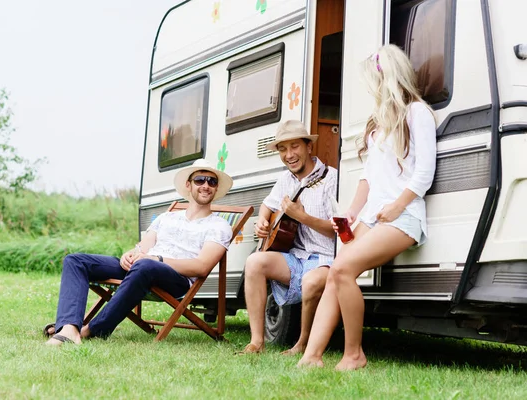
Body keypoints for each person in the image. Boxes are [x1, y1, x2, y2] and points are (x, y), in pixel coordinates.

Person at [297, 44, 437, 370]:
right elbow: (368, 178)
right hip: (373, 216)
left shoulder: (418, 114)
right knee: (336, 274)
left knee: (343, 270)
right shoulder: (378, 125)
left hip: (404, 216)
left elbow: (424, 173)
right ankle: (311, 356)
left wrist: (397, 205)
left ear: (386, 78)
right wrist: (351, 212)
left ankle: (354, 354)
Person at [45, 159, 233, 345]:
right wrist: (130, 254)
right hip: (143, 267)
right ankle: (68, 328)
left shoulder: (219, 226)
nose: (206, 185)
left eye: (212, 181)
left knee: (145, 265)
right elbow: (143, 247)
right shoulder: (166, 217)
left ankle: (92, 330)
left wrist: (156, 259)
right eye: (200, 180)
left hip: (175, 278)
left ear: (216, 189)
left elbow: (201, 267)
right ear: (188, 185)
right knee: (75, 260)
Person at [239, 120, 337, 355]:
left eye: (295, 146)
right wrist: (262, 222)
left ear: (309, 147)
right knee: (254, 262)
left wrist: (301, 217)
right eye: (283, 149)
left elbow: (335, 230)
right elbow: (266, 205)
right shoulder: (285, 179)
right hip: (297, 258)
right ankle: (256, 342)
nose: (289, 155)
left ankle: (302, 343)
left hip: (325, 258)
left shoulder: (330, 178)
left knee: (311, 281)